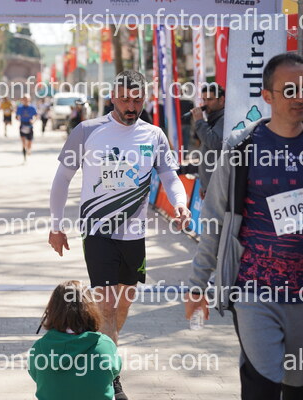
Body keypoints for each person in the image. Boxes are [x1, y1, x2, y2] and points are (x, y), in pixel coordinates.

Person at [48, 70, 190, 400]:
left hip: (134, 234)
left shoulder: (154, 135)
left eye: (137, 100)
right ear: (112, 96)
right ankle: (111, 377)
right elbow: (62, 178)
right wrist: (56, 226)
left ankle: (101, 347)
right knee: (108, 306)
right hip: (97, 230)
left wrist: (180, 204)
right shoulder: (87, 131)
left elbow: (169, 175)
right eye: (124, 99)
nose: (130, 106)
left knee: (123, 304)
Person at [185, 53, 303, 400]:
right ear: (267, 95)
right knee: (262, 386)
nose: (299, 97)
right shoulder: (241, 148)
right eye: (290, 90)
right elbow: (214, 218)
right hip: (255, 291)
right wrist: (197, 285)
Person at [28, 280, 121, 400]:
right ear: (92, 309)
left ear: (52, 310)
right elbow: (114, 372)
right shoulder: (105, 344)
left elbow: (35, 375)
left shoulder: (39, 348)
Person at [191, 83, 225, 199]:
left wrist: (200, 122)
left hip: (219, 188)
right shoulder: (212, 118)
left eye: (210, 99)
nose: (205, 104)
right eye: (204, 100)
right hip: (210, 187)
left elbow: (213, 143)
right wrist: (204, 185)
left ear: (221, 100)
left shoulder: (224, 119)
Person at [16, 94, 38, 161]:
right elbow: (16, 116)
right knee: (23, 143)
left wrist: (33, 121)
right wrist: (17, 117)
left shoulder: (32, 107)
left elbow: (36, 116)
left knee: (29, 143)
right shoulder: (20, 107)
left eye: (27, 99)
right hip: (23, 125)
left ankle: (28, 149)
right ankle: (24, 156)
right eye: (24, 99)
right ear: (22, 100)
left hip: (29, 126)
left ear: (29, 100)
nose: (26, 100)